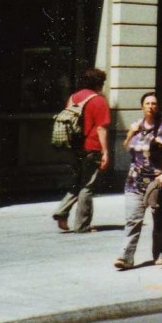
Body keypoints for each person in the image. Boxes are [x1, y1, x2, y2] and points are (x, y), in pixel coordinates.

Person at [116, 92, 162, 269]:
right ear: (142, 106)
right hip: (134, 181)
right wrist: (130, 133)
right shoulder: (137, 126)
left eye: (154, 104)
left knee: (160, 222)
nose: (151, 107)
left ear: (157, 107)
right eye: (147, 103)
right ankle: (125, 257)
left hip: (156, 182)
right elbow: (127, 147)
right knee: (132, 220)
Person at [52, 68, 111, 233]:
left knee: (77, 181)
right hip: (92, 147)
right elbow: (101, 129)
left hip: (75, 147)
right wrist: (105, 152)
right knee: (87, 186)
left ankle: (62, 211)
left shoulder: (73, 97)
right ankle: (82, 225)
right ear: (99, 83)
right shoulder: (99, 101)